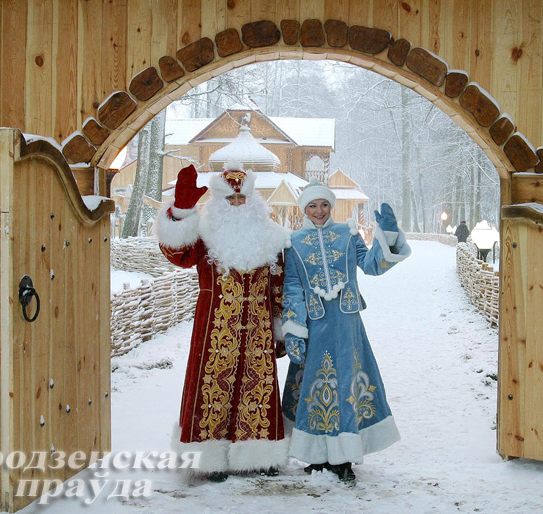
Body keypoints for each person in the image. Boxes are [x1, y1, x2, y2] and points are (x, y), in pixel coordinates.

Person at [155, 162, 292, 483]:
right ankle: (209, 459)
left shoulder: (272, 237)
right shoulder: (204, 235)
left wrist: (281, 330)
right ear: (218, 201)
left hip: (258, 334)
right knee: (212, 389)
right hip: (213, 333)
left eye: (241, 199)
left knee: (255, 390)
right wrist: (181, 211)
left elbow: (279, 286)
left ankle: (260, 455)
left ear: (253, 199)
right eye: (230, 200)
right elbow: (176, 254)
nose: (236, 205)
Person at [280, 180, 411, 484]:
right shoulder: (294, 241)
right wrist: (294, 329)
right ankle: (317, 455)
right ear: (304, 209)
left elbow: (372, 265)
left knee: (347, 384)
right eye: (312, 206)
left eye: (324, 205)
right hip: (315, 326)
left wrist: (388, 234)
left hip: (348, 324)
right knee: (316, 387)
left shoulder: (348, 234)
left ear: (331, 206)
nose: (319, 211)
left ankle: (345, 457)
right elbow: (293, 287)